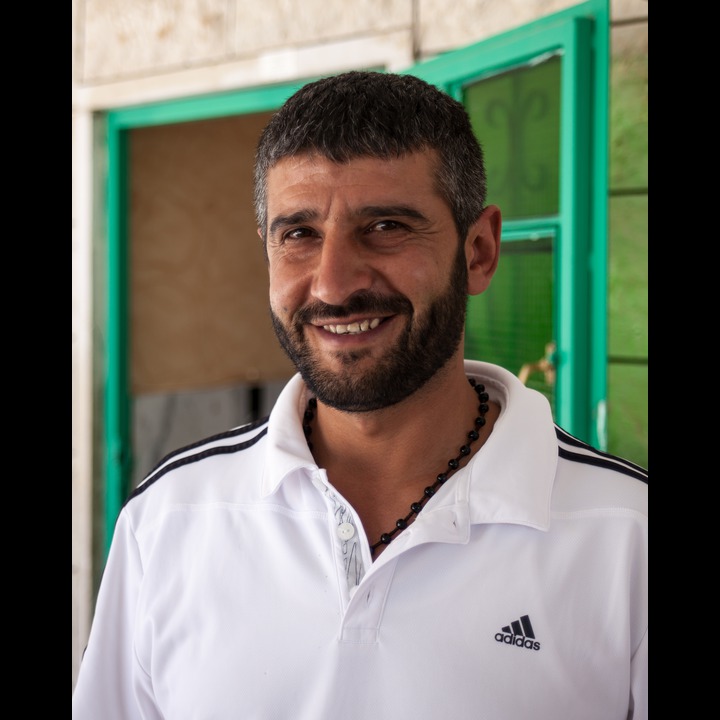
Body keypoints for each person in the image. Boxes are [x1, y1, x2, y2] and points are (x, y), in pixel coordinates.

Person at [72, 70, 648, 719]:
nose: (334, 284)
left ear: (480, 251)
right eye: (299, 234)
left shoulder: (627, 536)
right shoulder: (168, 521)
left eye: (386, 227)